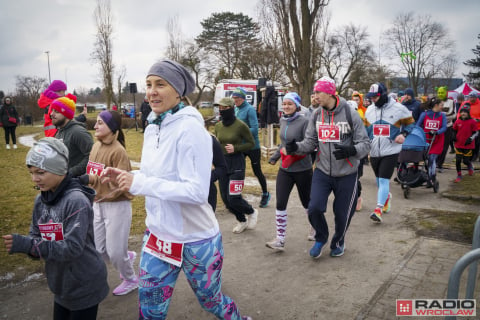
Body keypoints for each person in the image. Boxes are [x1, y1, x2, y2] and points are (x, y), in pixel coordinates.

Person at [101, 60, 252, 320]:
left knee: (212, 302)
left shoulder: (191, 129)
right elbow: (152, 176)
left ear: (178, 91)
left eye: (160, 84)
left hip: (197, 241)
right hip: (158, 237)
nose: (151, 91)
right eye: (149, 85)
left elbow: (195, 191)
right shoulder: (152, 127)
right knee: (149, 312)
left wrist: (140, 184)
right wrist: (128, 176)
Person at [2, 137, 109, 320]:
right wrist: (32, 247)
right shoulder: (41, 200)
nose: (35, 179)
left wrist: (29, 245)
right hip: (60, 284)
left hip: (84, 283)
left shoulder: (76, 201)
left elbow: (72, 248)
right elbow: (35, 236)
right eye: (31, 172)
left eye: (41, 172)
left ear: (59, 169)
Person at [286, 77, 370, 259]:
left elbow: (365, 144)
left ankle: (338, 242)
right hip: (322, 171)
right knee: (314, 207)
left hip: (347, 173)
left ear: (330, 93)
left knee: (341, 215)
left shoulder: (350, 114)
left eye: (318, 92)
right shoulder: (316, 115)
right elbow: (310, 142)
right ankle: (321, 237)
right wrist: (296, 147)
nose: (314, 96)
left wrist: (351, 150)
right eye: (314, 92)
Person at [80, 110, 138, 296]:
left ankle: (131, 278)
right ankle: (125, 256)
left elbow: (122, 185)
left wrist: (106, 193)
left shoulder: (118, 151)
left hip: (116, 206)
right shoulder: (96, 146)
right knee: (99, 249)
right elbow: (93, 173)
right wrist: (84, 182)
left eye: (99, 123)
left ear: (112, 128)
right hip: (97, 204)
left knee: (114, 252)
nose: (95, 126)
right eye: (95, 122)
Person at [266, 92, 312, 251]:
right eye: (284, 103)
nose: (286, 106)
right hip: (285, 168)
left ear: (297, 106)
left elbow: (309, 145)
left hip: (302, 169)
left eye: (289, 104)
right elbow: (282, 144)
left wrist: (295, 152)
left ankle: (314, 228)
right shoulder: (283, 120)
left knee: (307, 202)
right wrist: (275, 157)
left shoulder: (305, 121)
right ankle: (280, 239)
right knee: (280, 202)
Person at [364, 83, 415, 223]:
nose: (373, 100)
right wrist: (365, 145)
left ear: (383, 95)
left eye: (375, 97)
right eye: (371, 97)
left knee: (383, 179)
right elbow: (366, 130)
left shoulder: (398, 108)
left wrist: (404, 134)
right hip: (374, 151)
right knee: (378, 180)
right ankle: (386, 199)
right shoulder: (369, 110)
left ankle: (378, 209)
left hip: (391, 150)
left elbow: (411, 123)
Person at [215, 97, 258, 233]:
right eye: (220, 108)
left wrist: (236, 148)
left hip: (237, 165)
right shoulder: (218, 126)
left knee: (234, 198)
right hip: (223, 165)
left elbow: (251, 143)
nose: (221, 111)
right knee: (226, 200)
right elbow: (218, 144)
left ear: (232, 108)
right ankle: (242, 220)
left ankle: (251, 211)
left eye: (225, 108)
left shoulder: (240, 125)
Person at [232, 87, 271, 207]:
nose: (235, 101)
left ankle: (265, 194)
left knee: (257, 171)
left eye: (237, 98)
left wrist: (239, 131)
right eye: (234, 98)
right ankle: (236, 197)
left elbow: (255, 129)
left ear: (243, 98)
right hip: (241, 146)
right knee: (238, 171)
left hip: (253, 147)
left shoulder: (249, 110)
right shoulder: (235, 109)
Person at [50, 96, 94, 177]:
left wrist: (72, 172)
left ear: (66, 114)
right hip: (63, 180)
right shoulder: (60, 131)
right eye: (52, 110)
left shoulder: (78, 132)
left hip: (77, 183)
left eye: (56, 111)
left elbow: (93, 155)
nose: (51, 114)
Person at [416, 97, 447, 187]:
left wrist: (437, 132)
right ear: (436, 105)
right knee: (427, 159)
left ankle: (432, 177)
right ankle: (429, 175)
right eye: (441, 105)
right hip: (426, 140)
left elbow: (444, 127)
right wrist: (420, 132)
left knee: (432, 158)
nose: (442, 107)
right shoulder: (424, 114)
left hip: (437, 140)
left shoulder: (442, 115)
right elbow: (418, 125)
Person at [453, 104, 478, 182]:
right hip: (458, 144)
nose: (463, 114)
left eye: (465, 112)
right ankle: (459, 175)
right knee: (458, 160)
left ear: (468, 113)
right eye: (462, 112)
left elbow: (476, 132)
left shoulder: (472, 122)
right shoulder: (458, 121)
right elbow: (454, 129)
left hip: (468, 145)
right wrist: (453, 136)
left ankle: (469, 165)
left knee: (466, 161)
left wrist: (470, 139)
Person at [209, 134, 228, 212]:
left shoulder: (209, 139)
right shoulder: (170, 137)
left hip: (206, 194)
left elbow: (222, 167)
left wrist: (208, 178)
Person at [464, 92, 480, 161]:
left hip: (477, 127)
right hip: (468, 126)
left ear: (476, 98)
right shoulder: (466, 104)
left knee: (476, 142)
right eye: (470, 97)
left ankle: (474, 155)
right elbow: (460, 113)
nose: (471, 99)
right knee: (468, 141)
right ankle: (467, 155)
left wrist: (477, 119)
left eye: (473, 97)